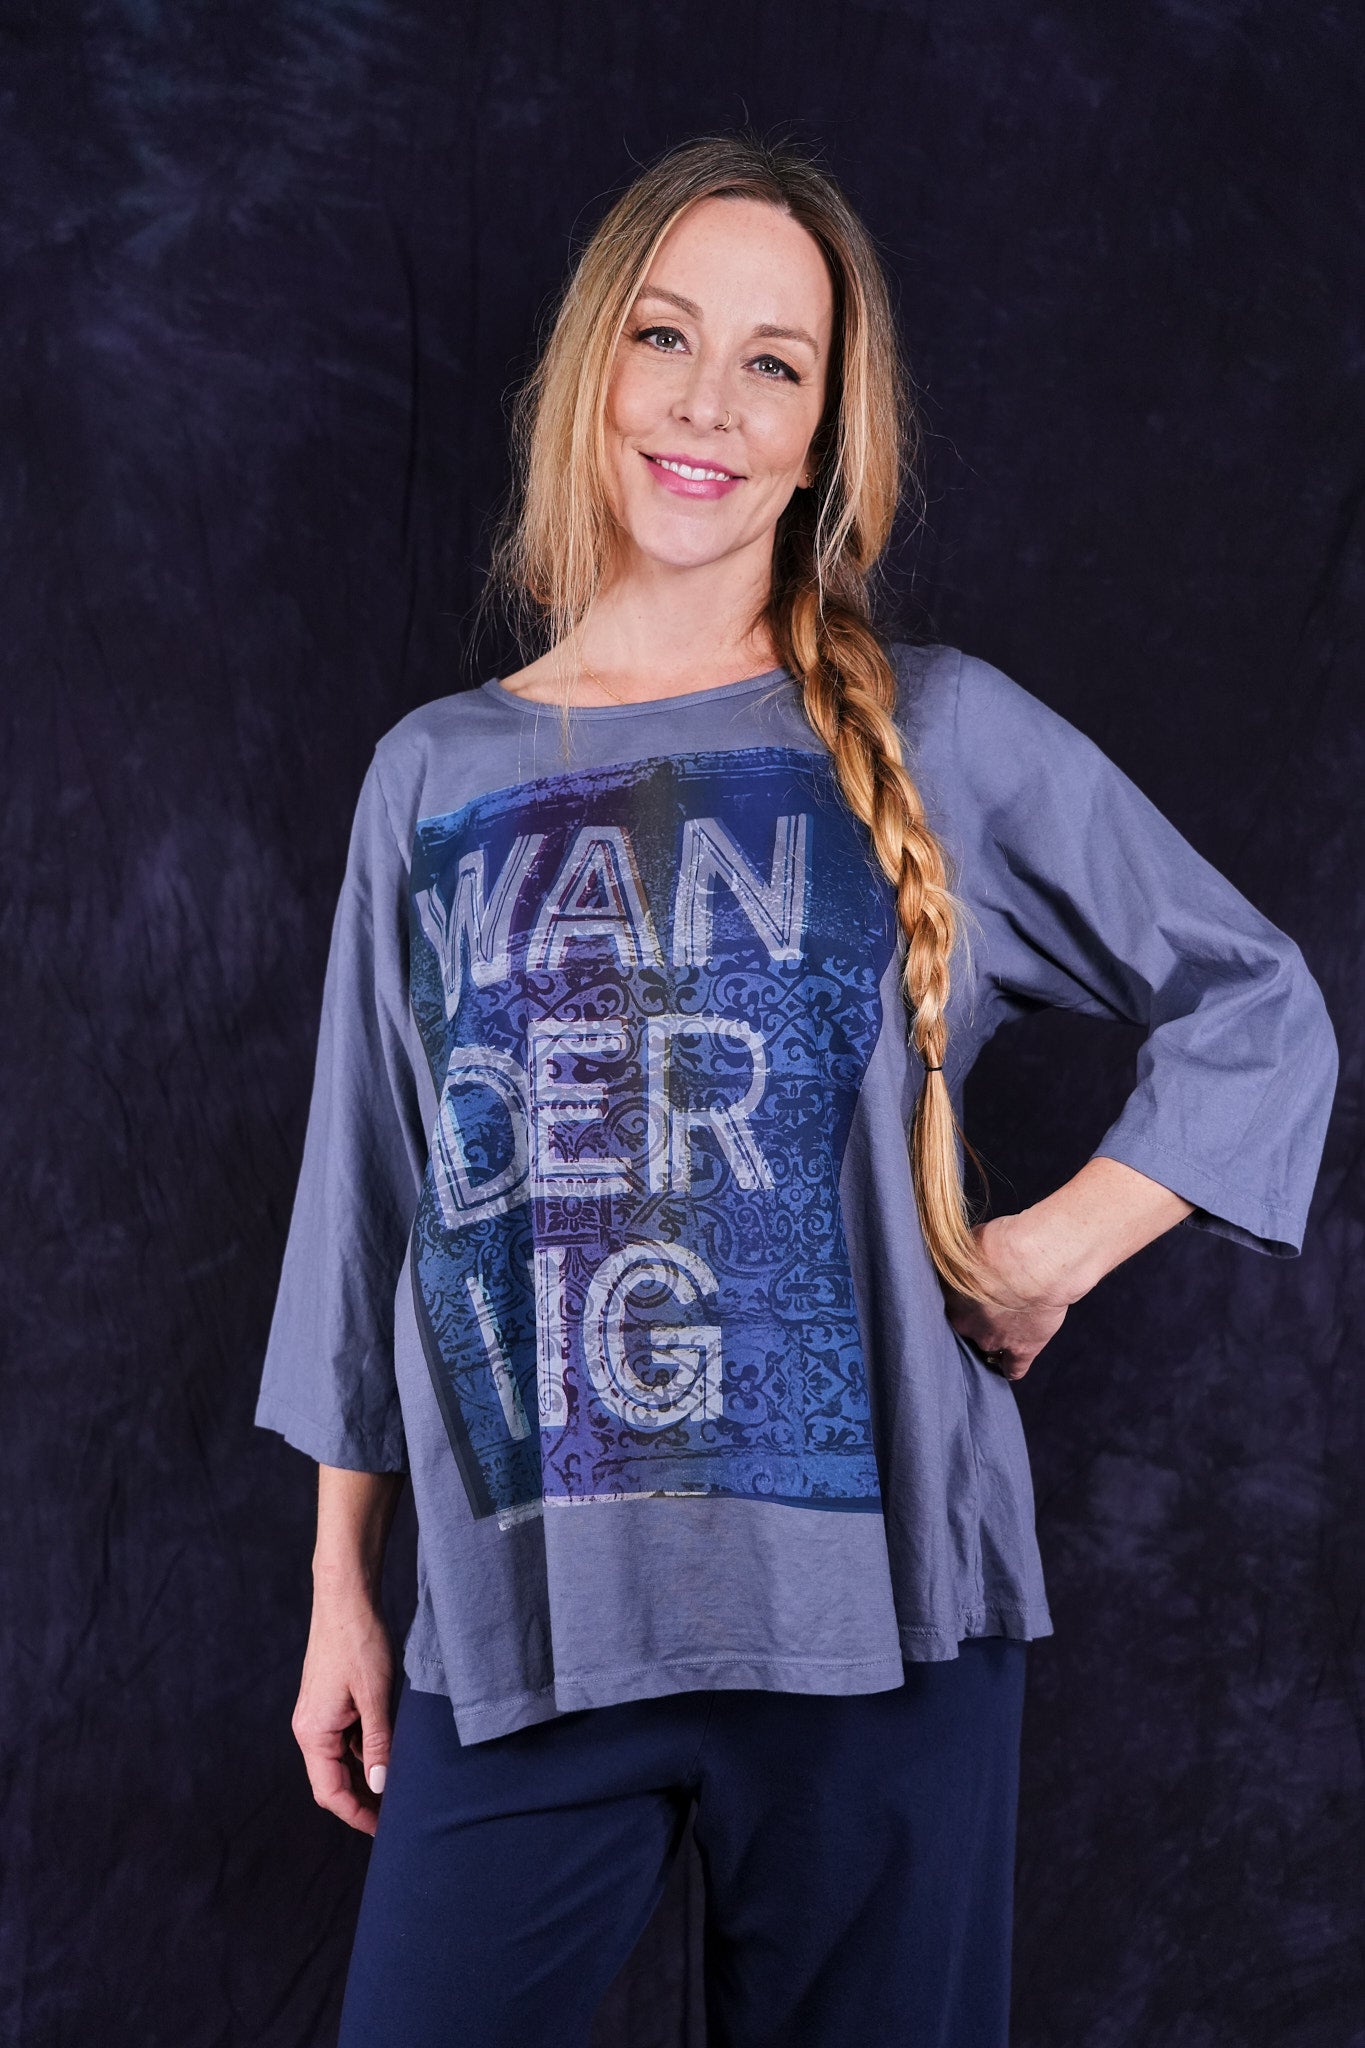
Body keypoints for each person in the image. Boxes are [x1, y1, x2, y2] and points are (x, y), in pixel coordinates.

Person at [253, 133, 1337, 2048]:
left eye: (774, 363)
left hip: (882, 1633)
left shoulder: (942, 731)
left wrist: (1054, 1250)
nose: (708, 404)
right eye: (666, 337)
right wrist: (346, 1587)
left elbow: (1259, 1002)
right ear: (592, 364)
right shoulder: (431, 774)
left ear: (826, 428)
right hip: (528, 1622)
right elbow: (372, 1198)